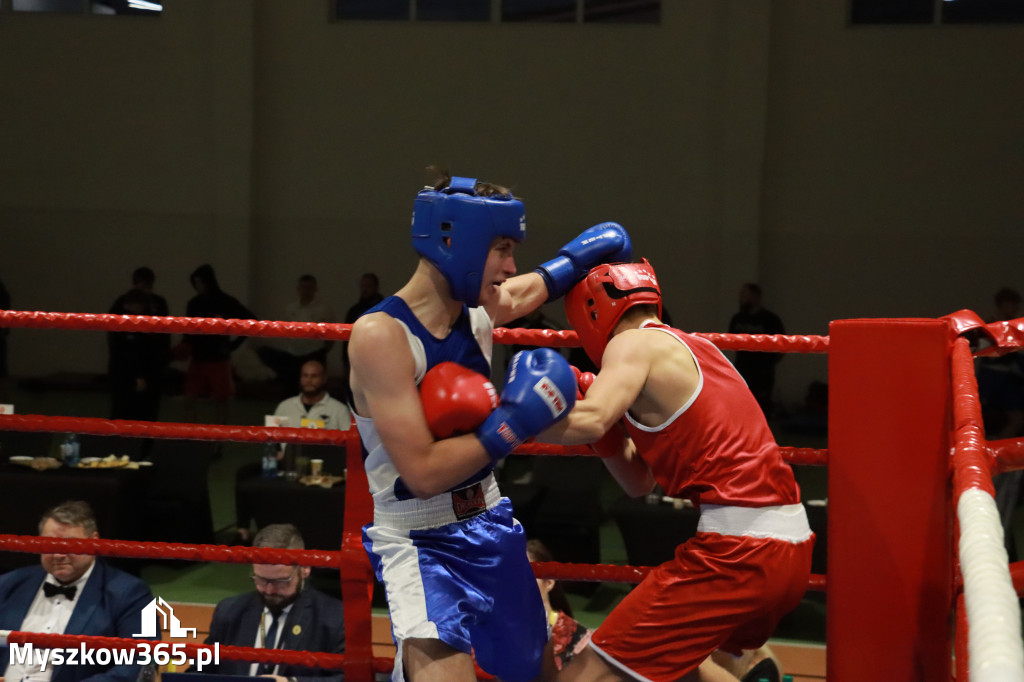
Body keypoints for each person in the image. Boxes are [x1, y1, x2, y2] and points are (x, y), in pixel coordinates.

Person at [347, 169, 631, 682]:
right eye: (501, 248)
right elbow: (424, 474)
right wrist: (513, 423)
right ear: (457, 241)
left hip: (490, 521)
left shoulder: (478, 312)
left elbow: (526, 291)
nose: (509, 265)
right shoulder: (380, 337)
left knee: (535, 674)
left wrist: (580, 257)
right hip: (420, 539)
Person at [542, 259, 813, 682]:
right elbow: (639, 482)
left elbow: (590, 418)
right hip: (789, 546)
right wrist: (609, 440)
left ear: (589, 312)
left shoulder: (630, 345)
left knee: (586, 675)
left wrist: (502, 419)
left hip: (738, 551)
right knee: (714, 664)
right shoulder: (694, 346)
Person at [0, 501, 156, 682]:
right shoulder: (8, 584)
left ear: (94, 541)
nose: (58, 554)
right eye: (50, 544)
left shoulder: (134, 593)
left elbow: (140, 664)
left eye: (70, 545)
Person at [200, 523, 346, 682]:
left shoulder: (336, 618)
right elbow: (198, 671)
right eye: (261, 580)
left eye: (281, 581)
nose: (269, 590)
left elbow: (348, 678)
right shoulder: (229, 611)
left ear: (305, 568)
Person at [234, 359, 351, 542]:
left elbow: (347, 445)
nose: (309, 380)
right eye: (305, 376)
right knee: (244, 473)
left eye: (314, 376)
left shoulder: (338, 410)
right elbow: (272, 438)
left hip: (322, 469)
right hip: (285, 463)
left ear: (324, 379)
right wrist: (275, 452)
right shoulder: (285, 406)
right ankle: (243, 531)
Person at [180, 264, 257, 424]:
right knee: (189, 398)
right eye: (195, 283)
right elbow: (188, 330)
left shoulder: (225, 301)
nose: (198, 286)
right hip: (198, 358)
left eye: (200, 282)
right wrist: (184, 347)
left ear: (208, 282)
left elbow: (252, 320)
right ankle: (190, 435)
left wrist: (235, 344)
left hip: (219, 359)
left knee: (221, 401)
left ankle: (218, 441)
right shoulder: (194, 303)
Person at [258, 275, 337, 392]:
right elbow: (284, 329)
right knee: (290, 388)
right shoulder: (291, 308)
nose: (306, 291)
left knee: (314, 389)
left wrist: (322, 352)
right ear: (298, 289)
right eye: (303, 287)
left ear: (315, 289)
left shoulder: (323, 309)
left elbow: (331, 334)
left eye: (309, 287)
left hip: (314, 354)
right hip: (292, 354)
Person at [727, 283, 785, 418]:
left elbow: (783, 346)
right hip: (742, 371)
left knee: (761, 410)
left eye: (744, 295)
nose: (740, 298)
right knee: (740, 408)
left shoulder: (770, 320)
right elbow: (730, 342)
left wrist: (768, 364)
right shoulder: (737, 319)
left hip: (762, 374)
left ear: (755, 296)